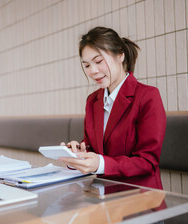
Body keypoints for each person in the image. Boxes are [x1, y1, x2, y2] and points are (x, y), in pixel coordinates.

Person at [59, 26, 166, 189]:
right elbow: (92, 148)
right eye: (86, 65)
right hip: (104, 196)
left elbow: (147, 162)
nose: (93, 71)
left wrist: (99, 163)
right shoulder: (92, 101)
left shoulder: (148, 96)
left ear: (120, 54)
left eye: (99, 61)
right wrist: (76, 155)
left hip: (141, 198)